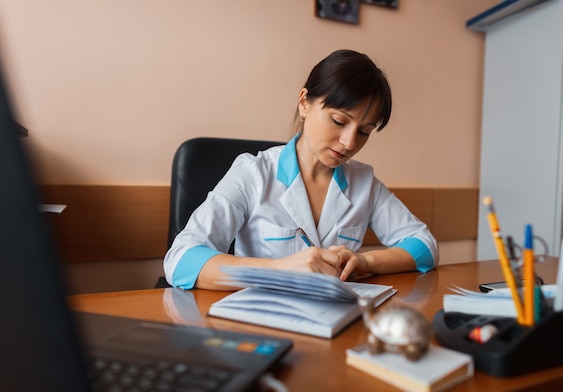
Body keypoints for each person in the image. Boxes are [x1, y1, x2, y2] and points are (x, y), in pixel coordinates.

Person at [164, 49, 439, 290]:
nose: (349, 142)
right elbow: (182, 260)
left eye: (364, 132)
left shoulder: (363, 182)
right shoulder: (252, 173)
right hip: (261, 325)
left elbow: (424, 246)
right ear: (305, 102)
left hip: (335, 324)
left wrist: (366, 261)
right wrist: (279, 270)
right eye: (338, 120)